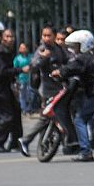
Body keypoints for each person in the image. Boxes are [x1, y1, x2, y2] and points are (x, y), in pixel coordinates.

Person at [51, 30, 94, 161]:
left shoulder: (83, 58)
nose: (74, 49)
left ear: (84, 45)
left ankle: (86, 151)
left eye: (76, 46)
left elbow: (70, 68)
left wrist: (59, 72)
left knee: (80, 119)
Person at [19, 26, 74, 155]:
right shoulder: (42, 49)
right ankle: (27, 140)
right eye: (44, 35)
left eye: (49, 35)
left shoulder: (59, 49)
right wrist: (44, 58)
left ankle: (57, 143)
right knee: (47, 117)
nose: (46, 38)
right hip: (47, 90)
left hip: (60, 89)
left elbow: (68, 61)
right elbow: (33, 66)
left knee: (59, 116)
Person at [0, 28, 26, 154]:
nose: (10, 39)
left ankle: (15, 142)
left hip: (5, 88)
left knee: (16, 113)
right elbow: (3, 71)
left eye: (12, 36)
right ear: (2, 38)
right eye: (7, 36)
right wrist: (21, 70)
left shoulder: (8, 51)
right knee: (6, 117)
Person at [14, 42, 33, 114]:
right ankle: (24, 109)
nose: (21, 49)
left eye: (23, 48)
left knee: (30, 94)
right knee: (22, 95)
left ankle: (29, 108)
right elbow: (15, 69)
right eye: (20, 47)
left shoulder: (31, 56)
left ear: (27, 49)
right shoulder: (17, 58)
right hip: (21, 79)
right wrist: (16, 80)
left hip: (30, 79)